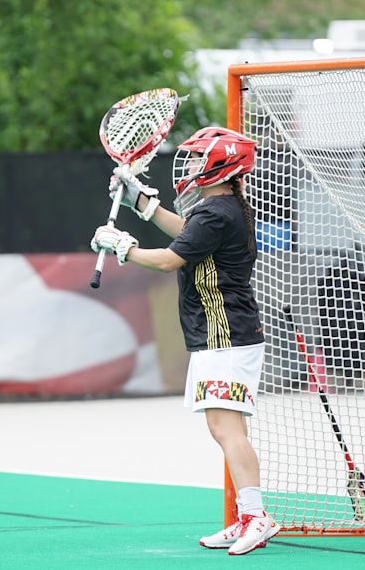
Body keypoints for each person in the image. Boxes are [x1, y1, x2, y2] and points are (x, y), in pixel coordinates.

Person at [90, 126, 280, 556]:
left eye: (198, 158)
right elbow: (187, 234)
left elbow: (171, 257)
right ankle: (246, 515)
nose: (190, 165)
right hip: (223, 335)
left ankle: (256, 517)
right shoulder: (220, 208)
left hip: (225, 335)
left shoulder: (217, 212)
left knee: (226, 428)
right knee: (227, 428)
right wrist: (142, 201)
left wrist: (124, 247)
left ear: (220, 165)